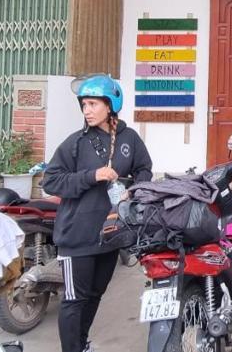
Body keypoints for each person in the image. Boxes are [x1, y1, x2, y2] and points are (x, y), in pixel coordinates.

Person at [42, 74, 154, 352]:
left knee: (94, 295)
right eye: (84, 105)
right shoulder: (75, 143)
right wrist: (92, 176)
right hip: (76, 236)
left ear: (110, 105)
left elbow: (144, 168)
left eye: (93, 104)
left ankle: (81, 344)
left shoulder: (129, 138)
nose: (87, 110)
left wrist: (134, 189)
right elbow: (51, 181)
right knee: (73, 300)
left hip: (110, 235)